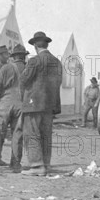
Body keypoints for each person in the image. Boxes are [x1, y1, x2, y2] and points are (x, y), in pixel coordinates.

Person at [16, 31, 62, 176]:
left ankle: (36, 166)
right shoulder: (57, 62)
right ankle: (45, 164)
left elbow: (23, 80)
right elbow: (58, 83)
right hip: (49, 105)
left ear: (35, 45)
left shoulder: (34, 61)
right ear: (47, 44)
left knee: (32, 134)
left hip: (33, 104)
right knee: (45, 135)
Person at [0, 44, 29, 171]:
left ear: (13, 57)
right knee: (18, 133)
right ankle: (15, 164)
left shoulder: (6, 68)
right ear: (24, 57)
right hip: (22, 104)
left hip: (5, 102)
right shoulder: (28, 69)